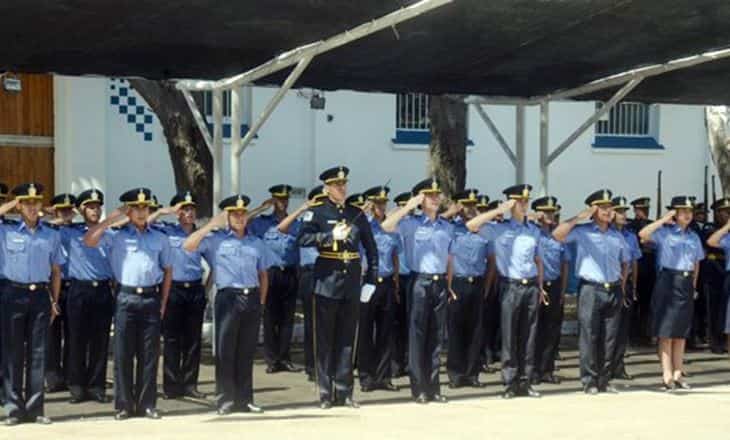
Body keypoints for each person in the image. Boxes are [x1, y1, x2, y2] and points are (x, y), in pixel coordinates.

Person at [84, 188, 172, 420]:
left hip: (151, 297)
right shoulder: (116, 236)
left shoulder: (160, 237)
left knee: (149, 355)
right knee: (123, 354)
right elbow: (89, 240)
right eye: (136, 208)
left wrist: (163, 302)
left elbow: (168, 270)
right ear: (128, 211)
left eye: (145, 208)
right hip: (125, 297)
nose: (142, 212)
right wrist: (112, 218)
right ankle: (124, 405)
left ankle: (147, 404)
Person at [184, 194, 274, 415]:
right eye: (235, 214)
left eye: (243, 214)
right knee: (226, 351)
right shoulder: (216, 240)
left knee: (246, 350)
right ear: (227, 217)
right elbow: (188, 245)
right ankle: (225, 399)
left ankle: (245, 399)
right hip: (228, 297)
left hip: (251, 297)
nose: (240, 218)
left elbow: (263, 274)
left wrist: (261, 302)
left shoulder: (256, 242)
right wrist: (211, 225)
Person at [297, 166, 378, 409]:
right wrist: (329, 236)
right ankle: (325, 392)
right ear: (327, 188)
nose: (341, 188)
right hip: (327, 280)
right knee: (325, 340)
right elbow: (302, 239)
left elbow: (371, 248)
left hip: (351, 281)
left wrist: (371, 280)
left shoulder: (356, 213)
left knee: (346, 340)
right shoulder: (317, 212)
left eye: (343, 184)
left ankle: (344, 392)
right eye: (336, 185)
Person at [466, 185, 546, 399]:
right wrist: (498, 210)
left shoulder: (533, 230)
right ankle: (510, 382)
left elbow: (538, 260)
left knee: (528, 336)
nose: (523, 205)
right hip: (510, 286)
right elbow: (471, 225)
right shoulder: (498, 228)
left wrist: (540, 287)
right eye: (519, 201)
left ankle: (526, 381)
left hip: (530, 286)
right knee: (510, 336)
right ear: (510, 203)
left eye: (526, 201)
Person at [381, 178, 453, 404]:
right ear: (421, 199)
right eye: (429, 195)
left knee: (436, 337)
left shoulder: (446, 226)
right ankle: (419, 388)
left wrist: (449, 285)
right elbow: (386, 226)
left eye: (437, 195)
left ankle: (434, 387)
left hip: (440, 282)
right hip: (419, 282)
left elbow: (449, 258)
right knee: (418, 335)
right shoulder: (411, 223)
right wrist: (409, 206)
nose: (435, 199)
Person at [553, 189, 630, 395]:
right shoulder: (582, 231)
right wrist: (579, 217)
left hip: (613, 288)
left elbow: (625, 261)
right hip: (591, 289)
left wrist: (622, 285)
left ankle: (604, 380)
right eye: (602, 207)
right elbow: (557, 235)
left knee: (609, 338)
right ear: (593, 210)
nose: (608, 211)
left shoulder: (616, 235)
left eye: (610, 207)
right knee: (589, 335)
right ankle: (589, 380)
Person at [0, 183, 65, 425]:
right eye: (26, 203)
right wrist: (11, 204)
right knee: (13, 353)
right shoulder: (5, 230)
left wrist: (54, 301)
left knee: (38, 353)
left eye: (35, 202)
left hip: (39, 295)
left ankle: (35, 408)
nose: (31, 207)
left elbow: (56, 271)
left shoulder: (51, 234)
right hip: (12, 294)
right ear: (19, 206)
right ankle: (14, 409)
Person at [149, 191, 208, 400]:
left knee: (193, 340)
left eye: (192, 209)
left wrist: (206, 289)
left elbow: (214, 263)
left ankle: (190, 384)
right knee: (172, 339)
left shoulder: (201, 235)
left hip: (195, 289)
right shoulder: (166, 232)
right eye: (184, 209)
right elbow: (144, 223)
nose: (189, 213)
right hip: (173, 290)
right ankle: (172, 386)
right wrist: (163, 212)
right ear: (177, 213)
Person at [641, 197, 704, 390]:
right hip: (668, 280)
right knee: (666, 332)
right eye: (682, 211)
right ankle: (666, 374)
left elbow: (696, 263)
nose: (687, 215)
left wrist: (693, 286)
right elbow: (643, 234)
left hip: (686, 282)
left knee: (681, 332)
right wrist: (663, 220)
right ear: (674, 214)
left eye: (690, 211)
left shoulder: (693, 237)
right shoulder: (664, 233)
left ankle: (678, 373)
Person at [61, 189, 114, 404]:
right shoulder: (70, 232)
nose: (95, 211)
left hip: (102, 289)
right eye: (90, 207)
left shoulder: (109, 233)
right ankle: (77, 387)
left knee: (100, 341)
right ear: (82, 209)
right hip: (79, 290)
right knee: (76, 340)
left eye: (98, 207)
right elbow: (46, 224)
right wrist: (68, 215)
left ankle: (96, 386)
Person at [248, 184, 302, 374]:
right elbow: (242, 222)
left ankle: (285, 358)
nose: (282, 203)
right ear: (273, 200)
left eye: (285, 199)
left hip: (290, 272)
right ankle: (272, 360)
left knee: (287, 319)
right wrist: (261, 208)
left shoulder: (295, 223)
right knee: (270, 318)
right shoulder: (262, 223)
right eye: (279, 199)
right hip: (270, 274)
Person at [277, 186, 327, 382]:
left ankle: (327, 366)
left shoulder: (330, 222)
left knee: (328, 323)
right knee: (312, 323)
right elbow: (282, 228)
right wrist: (302, 209)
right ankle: (312, 367)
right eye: (318, 201)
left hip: (330, 273)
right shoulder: (303, 223)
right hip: (311, 273)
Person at [358, 186, 401, 392]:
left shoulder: (391, 227)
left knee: (386, 331)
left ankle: (383, 377)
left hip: (387, 282)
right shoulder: (364, 226)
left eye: (383, 203)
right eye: (377, 203)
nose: (381, 207)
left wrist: (396, 282)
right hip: (368, 281)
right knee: (366, 331)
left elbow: (395, 255)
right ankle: (366, 377)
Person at [446, 190, 489, 389]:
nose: (471, 209)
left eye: (473, 205)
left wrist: (487, 287)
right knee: (455, 330)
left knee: (475, 331)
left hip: (477, 283)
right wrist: (452, 211)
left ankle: (472, 374)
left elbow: (491, 260)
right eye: (466, 205)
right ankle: (456, 374)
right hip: (457, 283)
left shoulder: (483, 230)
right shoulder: (451, 228)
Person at [531, 196, 570, 385]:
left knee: (552, 330)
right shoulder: (531, 233)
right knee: (534, 330)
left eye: (552, 212)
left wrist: (562, 290)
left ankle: (547, 370)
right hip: (535, 285)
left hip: (553, 285)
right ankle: (532, 370)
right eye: (546, 211)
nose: (549, 215)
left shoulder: (559, 236)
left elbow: (564, 265)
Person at [45, 193, 76, 394]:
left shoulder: (79, 230)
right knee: (52, 335)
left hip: (73, 287)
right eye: (62, 210)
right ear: (55, 211)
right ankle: (53, 378)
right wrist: (55, 218)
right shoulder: (47, 230)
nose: (66, 214)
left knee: (73, 334)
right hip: (51, 286)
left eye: (69, 210)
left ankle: (71, 376)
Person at [610, 196, 642, 381]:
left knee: (622, 328)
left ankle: (618, 366)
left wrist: (634, 286)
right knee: (609, 328)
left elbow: (634, 262)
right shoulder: (608, 233)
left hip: (627, 283)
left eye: (624, 211)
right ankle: (605, 365)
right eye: (619, 211)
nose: (623, 215)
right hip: (612, 282)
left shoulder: (630, 236)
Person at [390, 191, 413, 378]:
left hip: (413, 278)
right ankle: (396, 363)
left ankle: (408, 362)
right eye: (404, 207)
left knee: (410, 323)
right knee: (395, 323)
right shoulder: (393, 227)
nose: (408, 212)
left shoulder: (415, 226)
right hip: (397, 279)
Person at [704, 198, 730, 353]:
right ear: (717, 213)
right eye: (725, 212)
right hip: (714, 271)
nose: (727, 215)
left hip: (725, 269)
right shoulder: (710, 228)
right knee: (714, 308)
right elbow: (710, 243)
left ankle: (725, 340)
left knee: (726, 309)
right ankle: (715, 341)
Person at [630, 197, 655, 346]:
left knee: (648, 303)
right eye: (641, 209)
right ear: (635, 210)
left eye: (646, 209)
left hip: (650, 266)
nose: (644, 212)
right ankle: (633, 335)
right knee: (634, 303)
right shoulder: (630, 226)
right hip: (636, 266)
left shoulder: (653, 224)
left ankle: (645, 334)